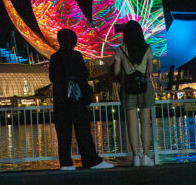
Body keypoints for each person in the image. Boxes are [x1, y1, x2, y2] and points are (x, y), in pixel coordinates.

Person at [49, 29, 114, 170]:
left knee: (63, 134)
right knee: (83, 132)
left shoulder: (54, 58)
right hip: (77, 100)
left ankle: (66, 163)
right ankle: (91, 161)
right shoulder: (77, 56)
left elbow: (52, 78)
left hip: (61, 102)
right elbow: (84, 75)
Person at [113, 20, 156, 166]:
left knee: (132, 121)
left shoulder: (120, 49)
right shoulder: (147, 48)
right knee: (145, 121)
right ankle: (146, 156)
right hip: (145, 86)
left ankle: (136, 156)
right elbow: (150, 71)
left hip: (128, 86)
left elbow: (117, 71)